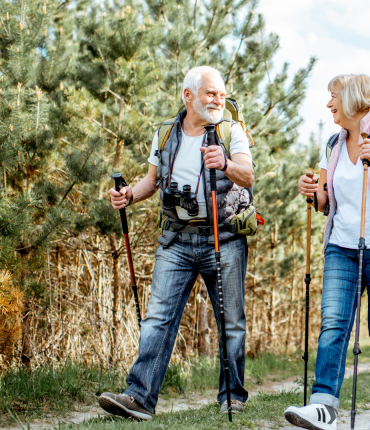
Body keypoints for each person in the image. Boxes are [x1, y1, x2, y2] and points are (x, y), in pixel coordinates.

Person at [100, 66, 255, 421]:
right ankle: (139, 398)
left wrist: (226, 163)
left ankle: (232, 396)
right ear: (188, 96)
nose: (219, 100)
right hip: (176, 239)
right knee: (157, 318)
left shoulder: (232, 131)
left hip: (224, 237)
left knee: (230, 320)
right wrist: (128, 196)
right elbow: (151, 182)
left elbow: (247, 175)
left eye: (221, 93)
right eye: (210, 93)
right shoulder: (166, 133)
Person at [284, 74, 370, 430]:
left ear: (351, 99)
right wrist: (311, 191)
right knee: (333, 326)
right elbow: (324, 202)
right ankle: (323, 407)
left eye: (332, 97)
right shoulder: (332, 144)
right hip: (341, 248)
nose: (328, 104)